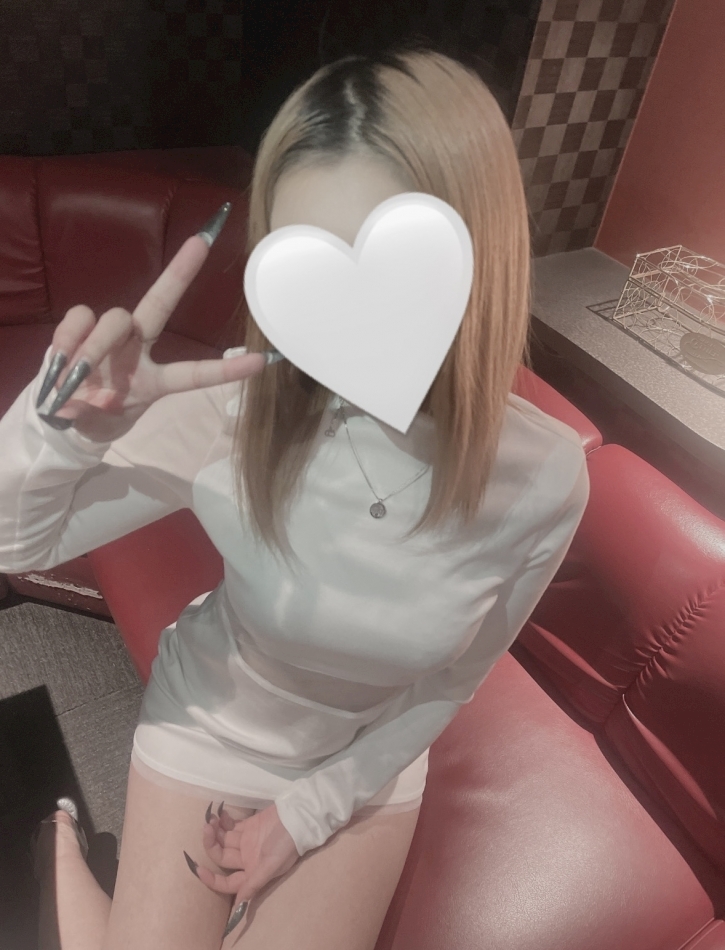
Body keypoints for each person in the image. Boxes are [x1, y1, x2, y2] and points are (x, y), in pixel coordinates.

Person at [0, 48, 590, 950]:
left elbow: (450, 682)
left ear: (479, 253)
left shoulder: (544, 475)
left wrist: (309, 813)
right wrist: (61, 431)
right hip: (214, 726)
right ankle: (59, 848)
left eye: (389, 270)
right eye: (318, 271)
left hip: (363, 763)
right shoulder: (236, 416)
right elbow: (16, 542)